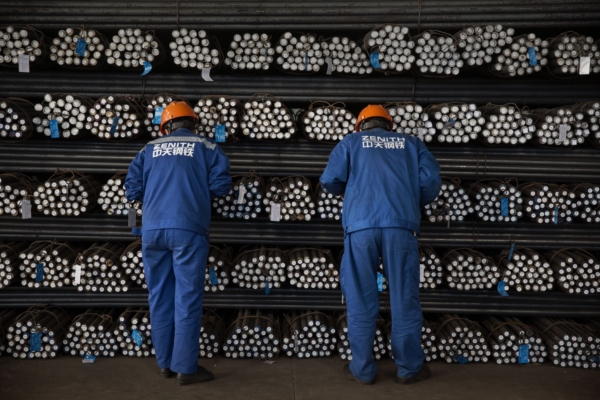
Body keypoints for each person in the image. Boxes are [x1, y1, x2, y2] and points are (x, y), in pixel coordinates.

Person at [320, 105, 441, 385]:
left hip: (361, 227)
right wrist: (411, 202)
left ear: (360, 125)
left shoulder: (351, 142)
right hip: (401, 227)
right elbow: (431, 180)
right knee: (404, 297)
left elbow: (329, 180)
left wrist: (350, 193)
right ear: (390, 124)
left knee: (360, 298)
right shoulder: (412, 144)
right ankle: (409, 369)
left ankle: (363, 371)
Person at [125, 101, 231, 386]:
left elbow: (132, 188)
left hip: (152, 231)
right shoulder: (207, 147)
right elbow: (221, 186)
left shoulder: (148, 149)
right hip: (188, 229)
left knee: (159, 297)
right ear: (194, 123)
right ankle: (185, 369)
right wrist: (195, 193)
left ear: (166, 126)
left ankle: (165, 365)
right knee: (187, 298)